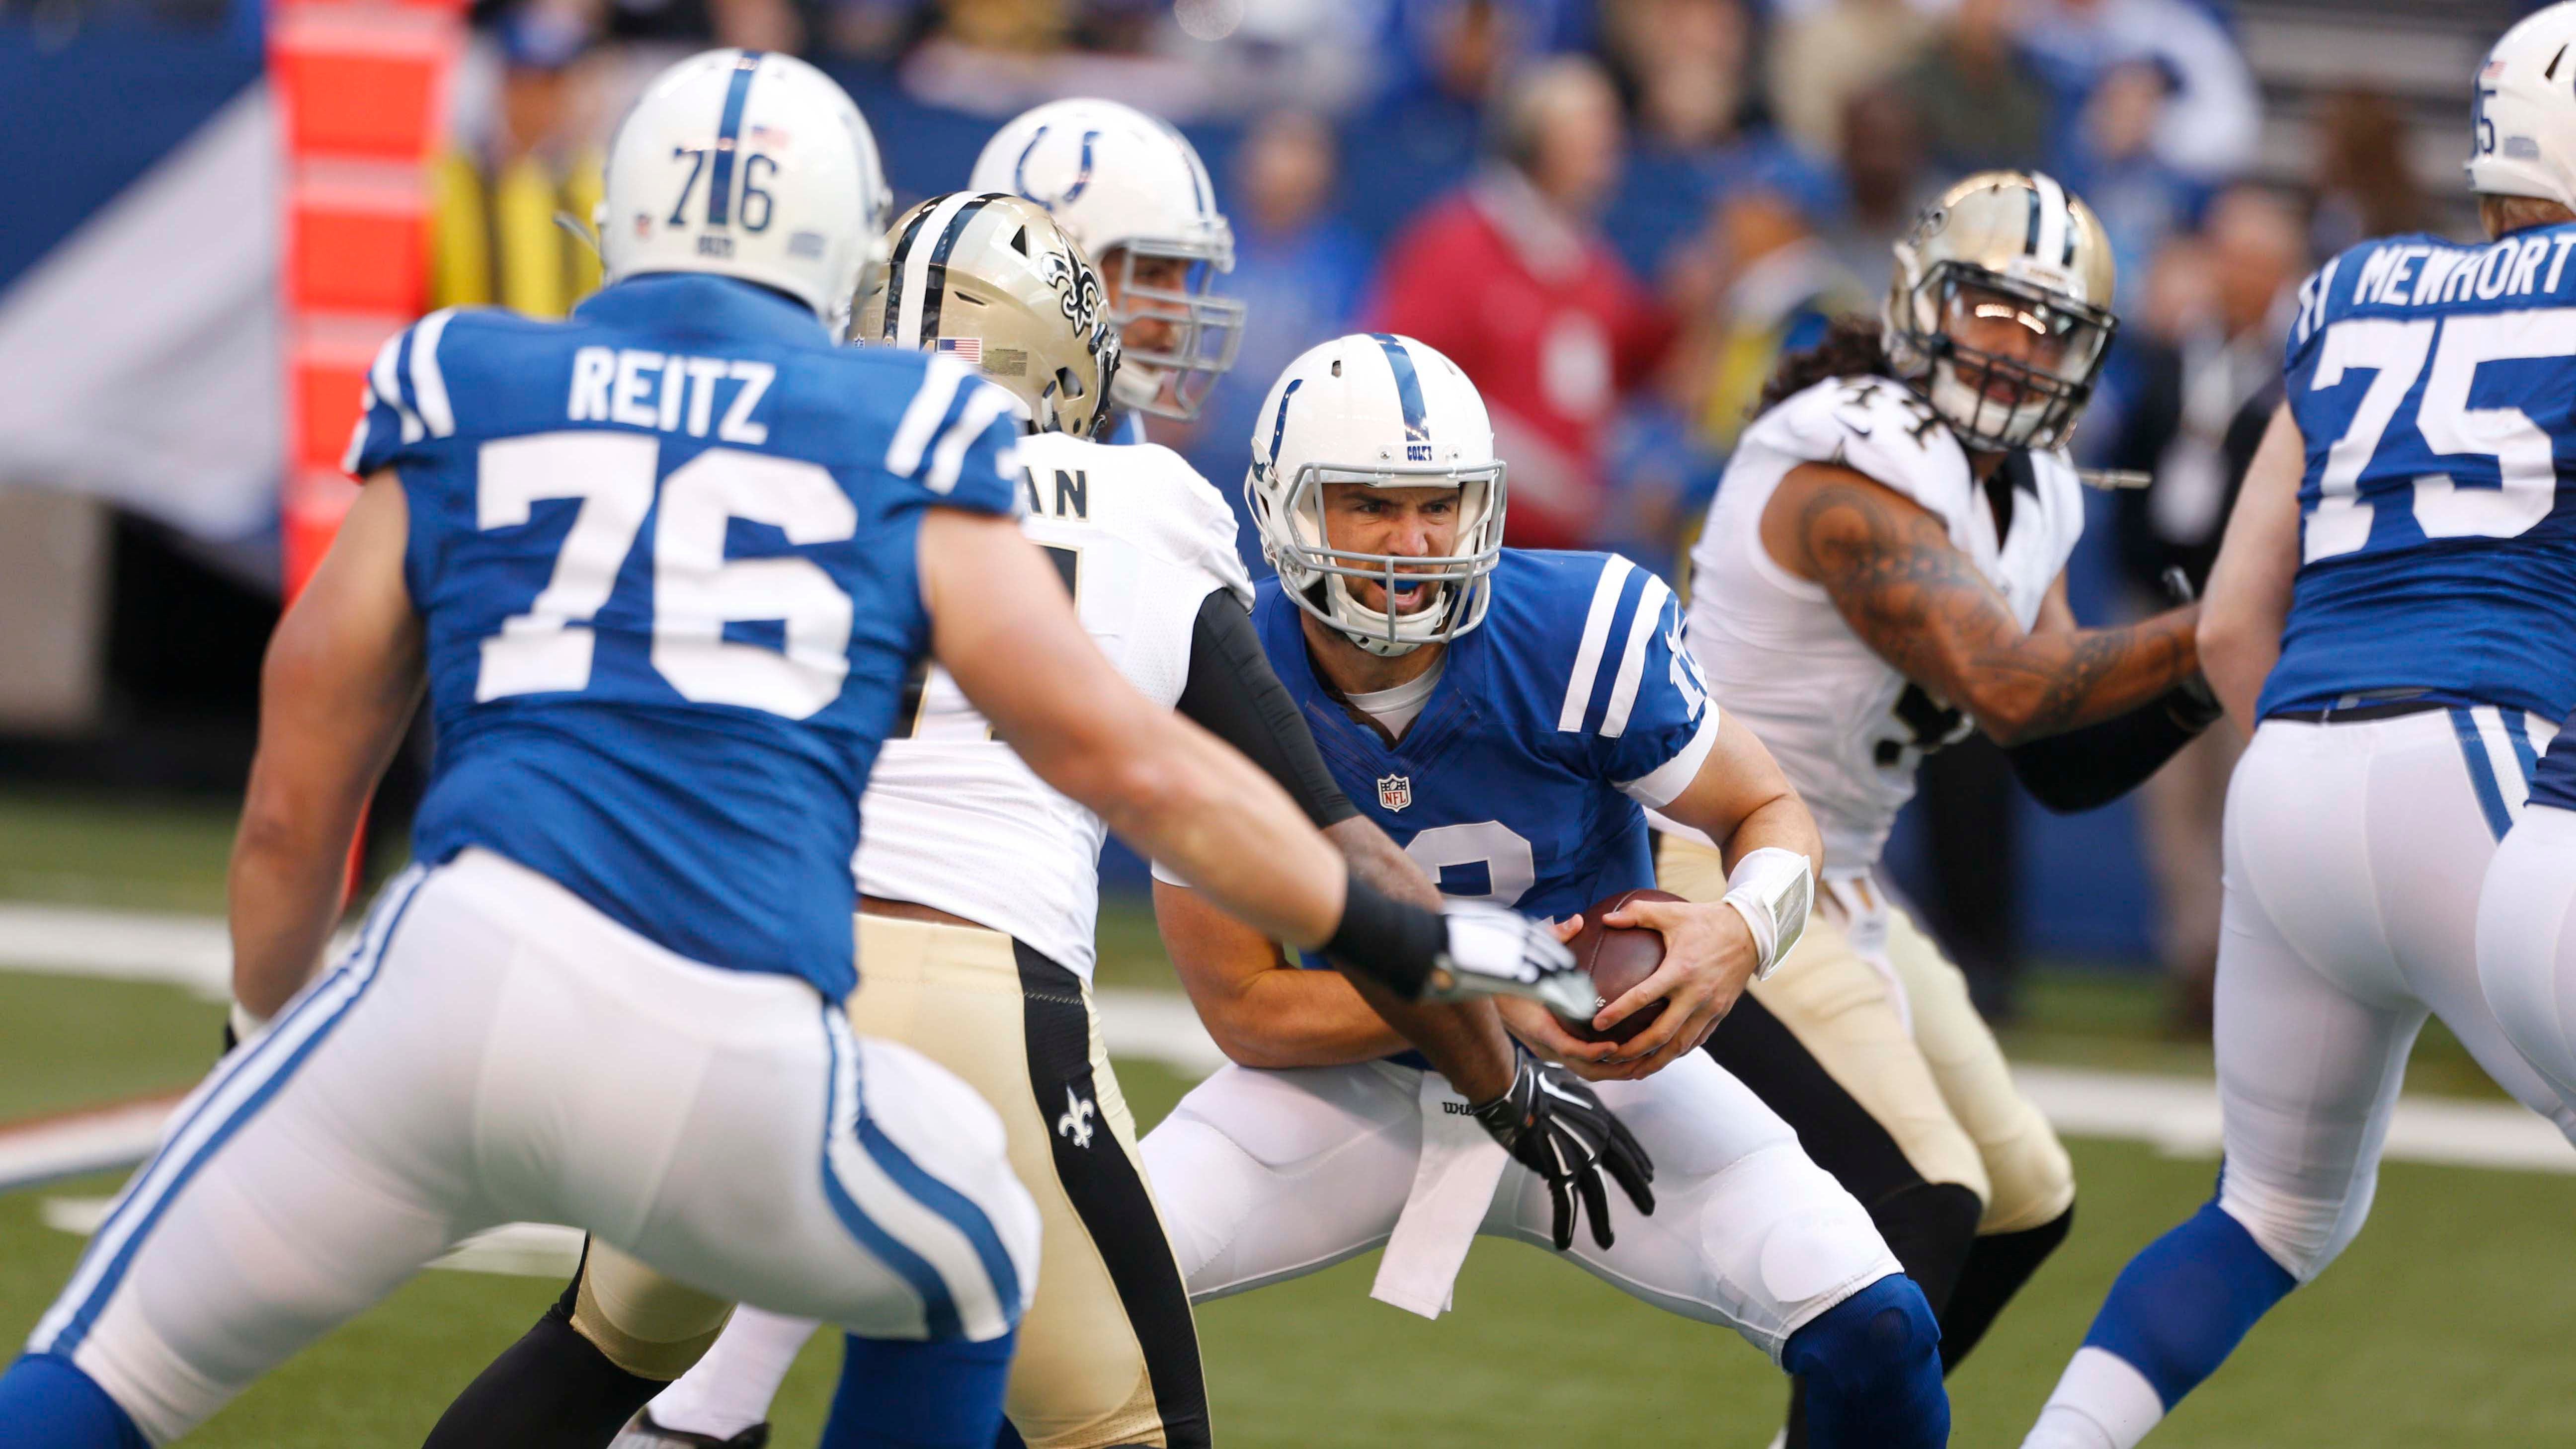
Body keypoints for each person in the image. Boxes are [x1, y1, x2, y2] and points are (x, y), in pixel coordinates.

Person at [0, 52, 1608, 1449]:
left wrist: (257, 1039)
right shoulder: (926, 457)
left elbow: (298, 795)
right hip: (866, 995)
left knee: (160, 1363)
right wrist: (1412, 941)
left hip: (534, 953)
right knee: (1012, 1319)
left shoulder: (474, 368)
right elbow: (1142, 769)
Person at [1135, 331, 1953, 1449]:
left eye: (1441, 504)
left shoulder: (1578, 631)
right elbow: (1247, 1008)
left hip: (1602, 1076)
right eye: (1368, 505)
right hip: (1349, 1082)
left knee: (1879, 1332)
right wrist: (1485, 1001)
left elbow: (1771, 817)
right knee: (1065, 1312)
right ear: (1283, 507)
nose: (1414, 543)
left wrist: (1740, 931)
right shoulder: (1215, 668)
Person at [2021, 10, 2576, 1444]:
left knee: (2268, 1210)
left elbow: (2226, 624)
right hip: (2500, 772)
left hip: (2295, 776)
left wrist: (2330, 759)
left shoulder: (2356, 287)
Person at [1670, 170, 2215, 1448]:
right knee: (1926, 1196)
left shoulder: (2034, 486)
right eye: (1990, 306)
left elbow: (2056, 761)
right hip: (1705, 850)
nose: (2016, 345)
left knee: (2025, 1196)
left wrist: (2202, 680)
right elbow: (2012, 688)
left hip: (1840, 870)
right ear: (1923, 299)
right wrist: (2221, 619)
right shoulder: (1842, 457)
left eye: (2048, 326)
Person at [1369, 56, 1678, 550]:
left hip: (1567, 551)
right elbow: (1404, 384)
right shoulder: (1454, 247)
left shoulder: (1592, 261)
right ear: (1535, 142)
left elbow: (1629, 379)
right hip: (1471, 548)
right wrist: (1544, 480)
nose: (1609, 150)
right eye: (1588, 132)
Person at [968, 97, 1245, 439]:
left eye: (1183, 277)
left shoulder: (1117, 429)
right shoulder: (960, 425)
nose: (1180, 310)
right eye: (1150, 275)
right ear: (1046, 269)